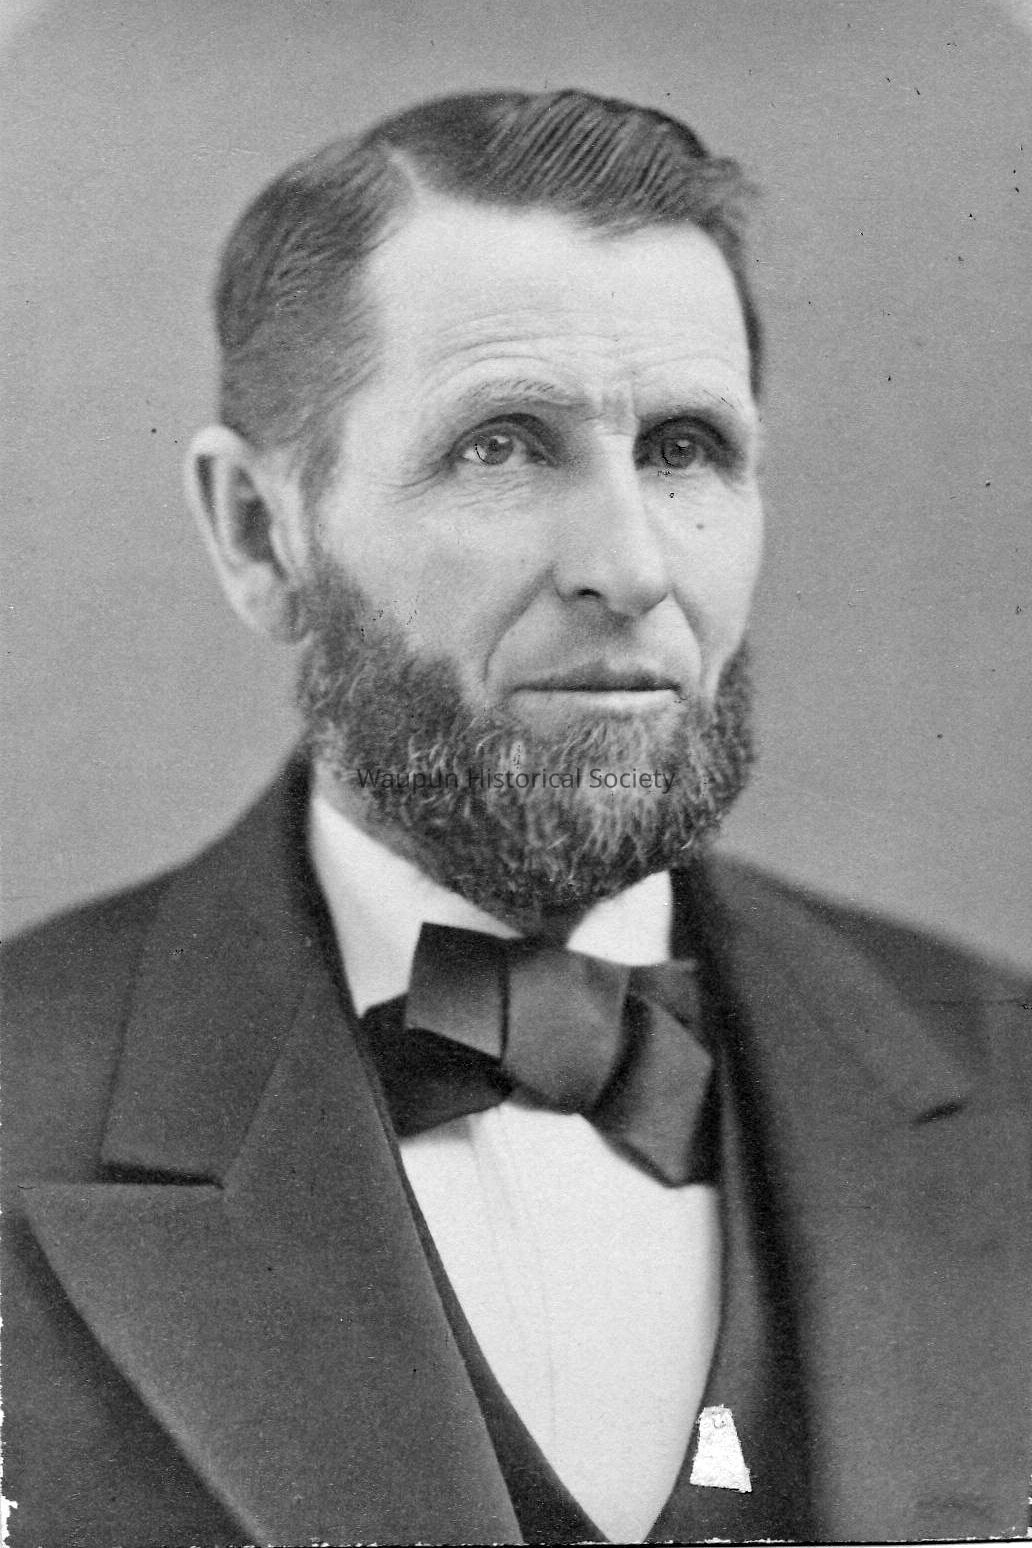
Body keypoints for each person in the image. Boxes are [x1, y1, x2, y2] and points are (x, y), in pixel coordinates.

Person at [2, 88, 1029, 1548]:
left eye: (684, 448)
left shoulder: (1005, 1080)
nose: (631, 566)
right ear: (259, 533)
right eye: (501, 446)